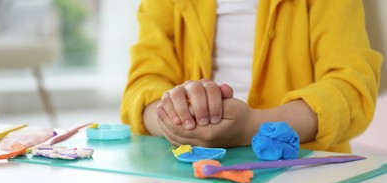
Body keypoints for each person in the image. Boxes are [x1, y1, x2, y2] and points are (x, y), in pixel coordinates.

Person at [121, 0, 383, 153]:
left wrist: (255, 126)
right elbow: (142, 86)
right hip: (188, 172)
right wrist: (171, 119)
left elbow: (352, 88)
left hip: (304, 172)